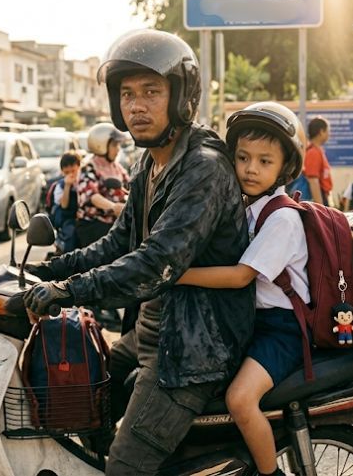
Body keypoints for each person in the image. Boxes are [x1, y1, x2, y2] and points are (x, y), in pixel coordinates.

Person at [22, 29, 254, 476]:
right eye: (127, 94)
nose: (136, 105)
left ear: (181, 95)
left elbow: (155, 261)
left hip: (193, 350)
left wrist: (66, 292)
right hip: (151, 333)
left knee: (125, 468)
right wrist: (47, 269)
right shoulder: (150, 161)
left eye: (151, 91)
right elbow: (119, 241)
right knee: (78, 406)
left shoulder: (203, 168)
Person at [177, 101, 306, 476]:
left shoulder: (281, 217)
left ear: (285, 167)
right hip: (252, 322)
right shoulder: (245, 206)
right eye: (243, 157)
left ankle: (270, 474)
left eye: (265, 161)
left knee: (239, 399)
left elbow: (239, 276)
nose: (251, 169)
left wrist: (176, 273)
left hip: (282, 330)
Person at [75, 122, 129, 248]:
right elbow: (92, 196)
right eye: (115, 144)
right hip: (94, 225)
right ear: (101, 145)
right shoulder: (89, 168)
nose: (118, 149)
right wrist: (113, 207)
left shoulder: (116, 167)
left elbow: (129, 187)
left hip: (116, 223)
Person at [49, 151, 82, 253]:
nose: (71, 174)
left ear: (78, 166)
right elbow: (64, 205)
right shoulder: (60, 186)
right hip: (67, 219)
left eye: (73, 169)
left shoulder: (85, 180)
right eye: (67, 172)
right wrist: (67, 186)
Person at [303, 116, 332, 205]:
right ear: (321, 132)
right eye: (327, 131)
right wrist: (320, 208)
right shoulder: (313, 152)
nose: (329, 134)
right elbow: (313, 181)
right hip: (320, 198)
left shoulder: (318, 150)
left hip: (324, 195)